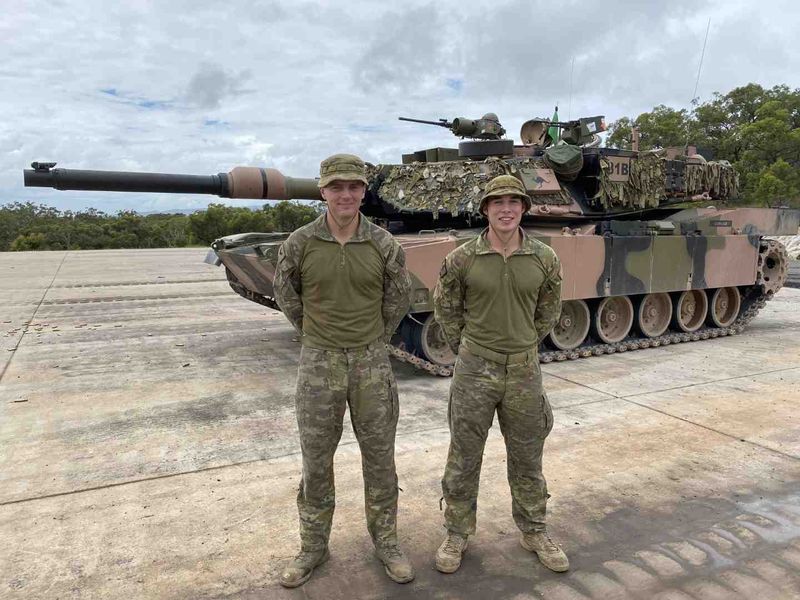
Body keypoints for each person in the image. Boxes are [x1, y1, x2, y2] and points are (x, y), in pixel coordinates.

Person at [273, 153, 414, 587]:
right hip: (319, 363)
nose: (346, 194)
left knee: (379, 458)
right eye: (337, 187)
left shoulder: (383, 244)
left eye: (354, 186)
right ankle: (313, 546)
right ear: (323, 191)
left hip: (371, 362)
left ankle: (386, 541)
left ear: (363, 191)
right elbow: (287, 295)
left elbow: (398, 300)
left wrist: (370, 337)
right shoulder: (299, 243)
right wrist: (318, 333)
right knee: (316, 461)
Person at [432, 174, 568, 574]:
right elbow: (447, 310)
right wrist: (471, 349)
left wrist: (522, 342)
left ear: (524, 208)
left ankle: (534, 529)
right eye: (497, 202)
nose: (505, 209)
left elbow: (548, 312)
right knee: (464, 455)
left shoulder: (544, 257)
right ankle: (457, 532)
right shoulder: (461, 258)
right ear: (486, 210)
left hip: (524, 370)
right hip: (475, 369)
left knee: (528, 455)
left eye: (513, 201)